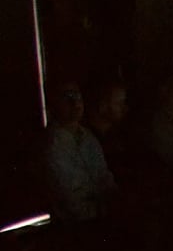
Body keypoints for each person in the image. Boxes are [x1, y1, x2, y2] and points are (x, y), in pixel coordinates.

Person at [41, 82, 117, 222]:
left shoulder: (88, 137)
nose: (75, 102)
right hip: (77, 225)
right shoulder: (52, 145)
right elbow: (70, 199)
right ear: (53, 103)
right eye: (67, 96)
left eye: (77, 95)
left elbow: (104, 177)